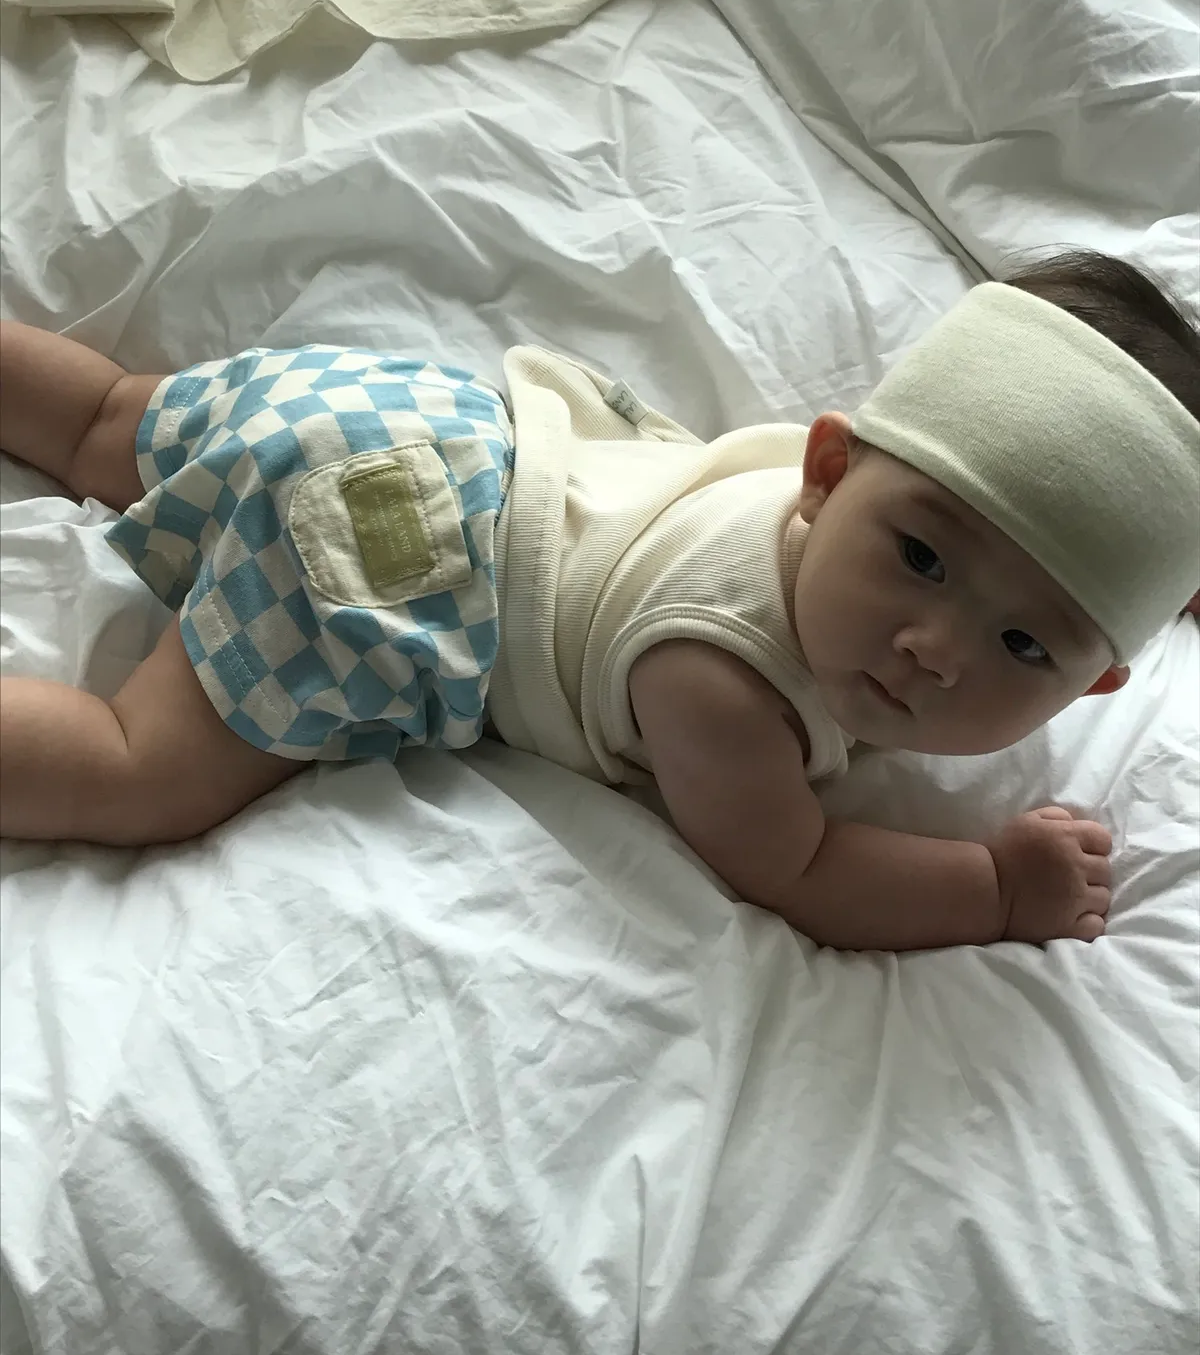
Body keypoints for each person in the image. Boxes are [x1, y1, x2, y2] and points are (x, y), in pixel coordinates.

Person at [1, 250, 1196, 953]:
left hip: (418, 419)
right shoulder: (725, 681)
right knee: (131, 767)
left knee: (105, 419)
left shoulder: (824, 496)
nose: (933, 648)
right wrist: (996, 890)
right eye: (922, 559)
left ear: (1096, 683)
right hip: (388, 569)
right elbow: (802, 866)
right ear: (829, 473)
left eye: (1023, 643)